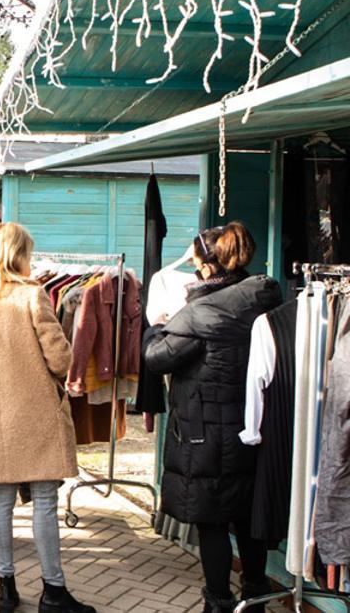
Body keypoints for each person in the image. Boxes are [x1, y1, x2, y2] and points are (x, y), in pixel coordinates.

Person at [0, 223, 96, 613]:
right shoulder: (32, 296)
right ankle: (53, 590)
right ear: (18, 254)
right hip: (34, 414)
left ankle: (6, 586)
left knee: (0, 498)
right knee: (45, 500)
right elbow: (61, 358)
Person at [143, 222, 280, 613]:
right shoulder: (265, 299)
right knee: (247, 518)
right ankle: (255, 597)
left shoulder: (201, 312)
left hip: (206, 436)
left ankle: (218, 602)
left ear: (205, 265)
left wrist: (155, 328)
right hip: (255, 429)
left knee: (213, 522)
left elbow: (156, 359)